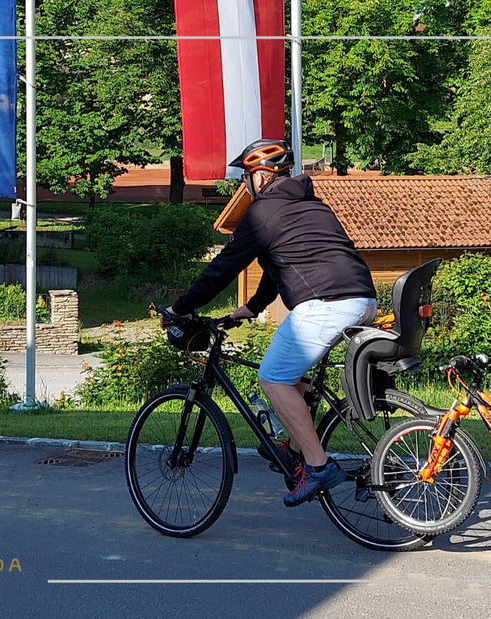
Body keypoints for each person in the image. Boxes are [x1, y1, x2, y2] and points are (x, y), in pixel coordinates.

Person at [160, 138, 377, 507]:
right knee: (295, 377)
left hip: (325, 304)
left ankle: (318, 466)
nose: (245, 184)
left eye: (246, 175)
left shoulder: (262, 213)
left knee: (272, 378)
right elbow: (280, 266)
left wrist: (180, 308)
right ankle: (294, 447)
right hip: (362, 299)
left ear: (260, 176)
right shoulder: (311, 206)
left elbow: (223, 268)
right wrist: (253, 307)